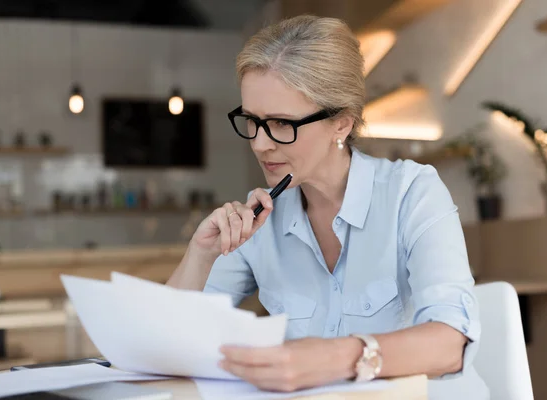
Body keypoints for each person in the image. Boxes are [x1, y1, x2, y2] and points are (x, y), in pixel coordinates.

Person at [167, 15, 489, 399]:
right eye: (252, 121)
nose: (259, 144)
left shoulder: (412, 192)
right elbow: (166, 343)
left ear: (341, 124)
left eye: (281, 124)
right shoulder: (259, 220)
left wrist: (332, 358)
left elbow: (450, 344)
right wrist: (201, 255)